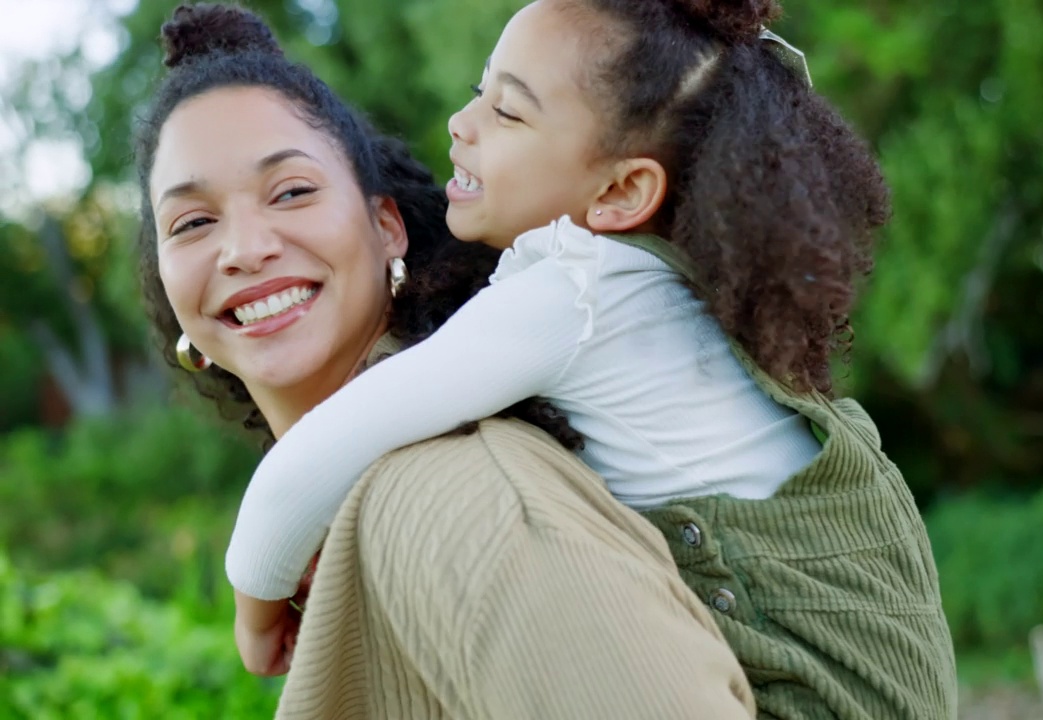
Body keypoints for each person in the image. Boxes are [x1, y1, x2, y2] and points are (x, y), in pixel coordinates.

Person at [228, 0, 960, 717]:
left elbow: (325, 447)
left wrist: (260, 608)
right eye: (479, 91)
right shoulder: (677, 287)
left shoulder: (575, 290)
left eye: (508, 113)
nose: (463, 122)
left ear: (621, 190)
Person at [134, 4, 758, 718]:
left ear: (386, 227)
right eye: (192, 222)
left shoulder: (456, 496)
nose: (243, 248)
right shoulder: (365, 504)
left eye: (293, 191)